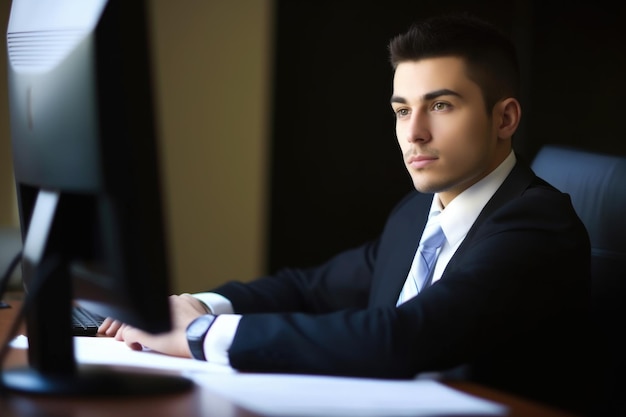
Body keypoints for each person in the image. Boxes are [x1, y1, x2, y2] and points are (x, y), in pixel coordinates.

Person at [100, 13, 590, 414]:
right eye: (402, 110)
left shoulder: (535, 225)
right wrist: (199, 306)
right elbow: (310, 289)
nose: (413, 133)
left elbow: (403, 338)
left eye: (440, 106)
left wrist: (197, 335)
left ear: (504, 118)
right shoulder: (418, 212)